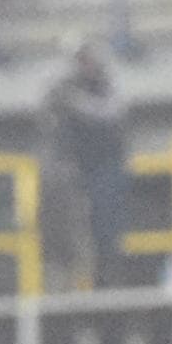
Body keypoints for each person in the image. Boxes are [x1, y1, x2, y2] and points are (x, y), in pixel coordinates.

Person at [39, 42, 128, 294]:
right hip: (71, 170)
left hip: (103, 168)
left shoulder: (105, 85)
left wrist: (74, 101)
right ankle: (63, 279)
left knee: (104, 227)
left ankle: (105, 280)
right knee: (61, 225)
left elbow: (110, 112)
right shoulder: (62, 88)